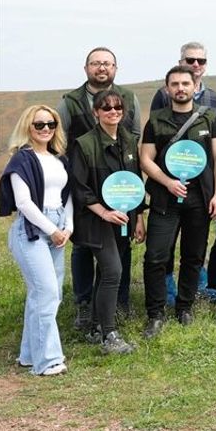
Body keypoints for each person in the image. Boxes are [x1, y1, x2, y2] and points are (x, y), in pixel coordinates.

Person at [138, 66, 216, 332]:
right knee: (155, 256)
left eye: (185, 83)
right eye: (174, 84)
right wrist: (168, 182)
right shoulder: (156, 120)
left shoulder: (210, 118)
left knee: (193, 256)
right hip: (164, 200)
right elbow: (145, 159)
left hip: (200, 200)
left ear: (194, 87)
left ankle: (184, 307)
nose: (180, 88)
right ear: (167, 89)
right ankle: (155, 312)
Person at [59, 47, 141, 330]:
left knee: (119, 255)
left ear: (115, 68)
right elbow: (61, 143)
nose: (102, 67)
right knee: (88, 253)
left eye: (107, 63)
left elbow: (134, 149)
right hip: (89, 196)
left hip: (121, 199)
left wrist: (138, 213)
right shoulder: (70, 102)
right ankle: (86, 307)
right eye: (96, 63)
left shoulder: (129, 100)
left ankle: (114, 306)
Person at [68, 89, 145, 353]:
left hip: (123, 219)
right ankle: (109, 336)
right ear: (96, 112)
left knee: (106, 273)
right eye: (106, 108)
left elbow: (135, 182)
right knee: (113, 271)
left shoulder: (129, 140)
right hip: (95, 219)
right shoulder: (84, 144)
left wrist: (138, 217)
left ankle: (96, 327)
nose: (113, 112)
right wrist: (103, 212)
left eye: (117, 107)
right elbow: (80, 187)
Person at [0, 105, 73, 375]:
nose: (45, 129)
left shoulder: (59, 160)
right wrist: (51, 229)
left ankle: (29, 355)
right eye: (39, 124)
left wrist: (68, 227)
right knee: (47, 293)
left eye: (51, 124)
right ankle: (48, 361)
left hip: (59, 227)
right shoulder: (22, 159)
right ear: (28, 127)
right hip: (31, 230)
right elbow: (24, 202)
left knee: (43, 294)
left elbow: (67, 196)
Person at [149, 41, 216, 112]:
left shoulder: (213, 98)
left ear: (206, 64)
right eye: (190, 60)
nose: (196, 64)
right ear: (180, 63)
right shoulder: (164, 95)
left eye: (201, 61)